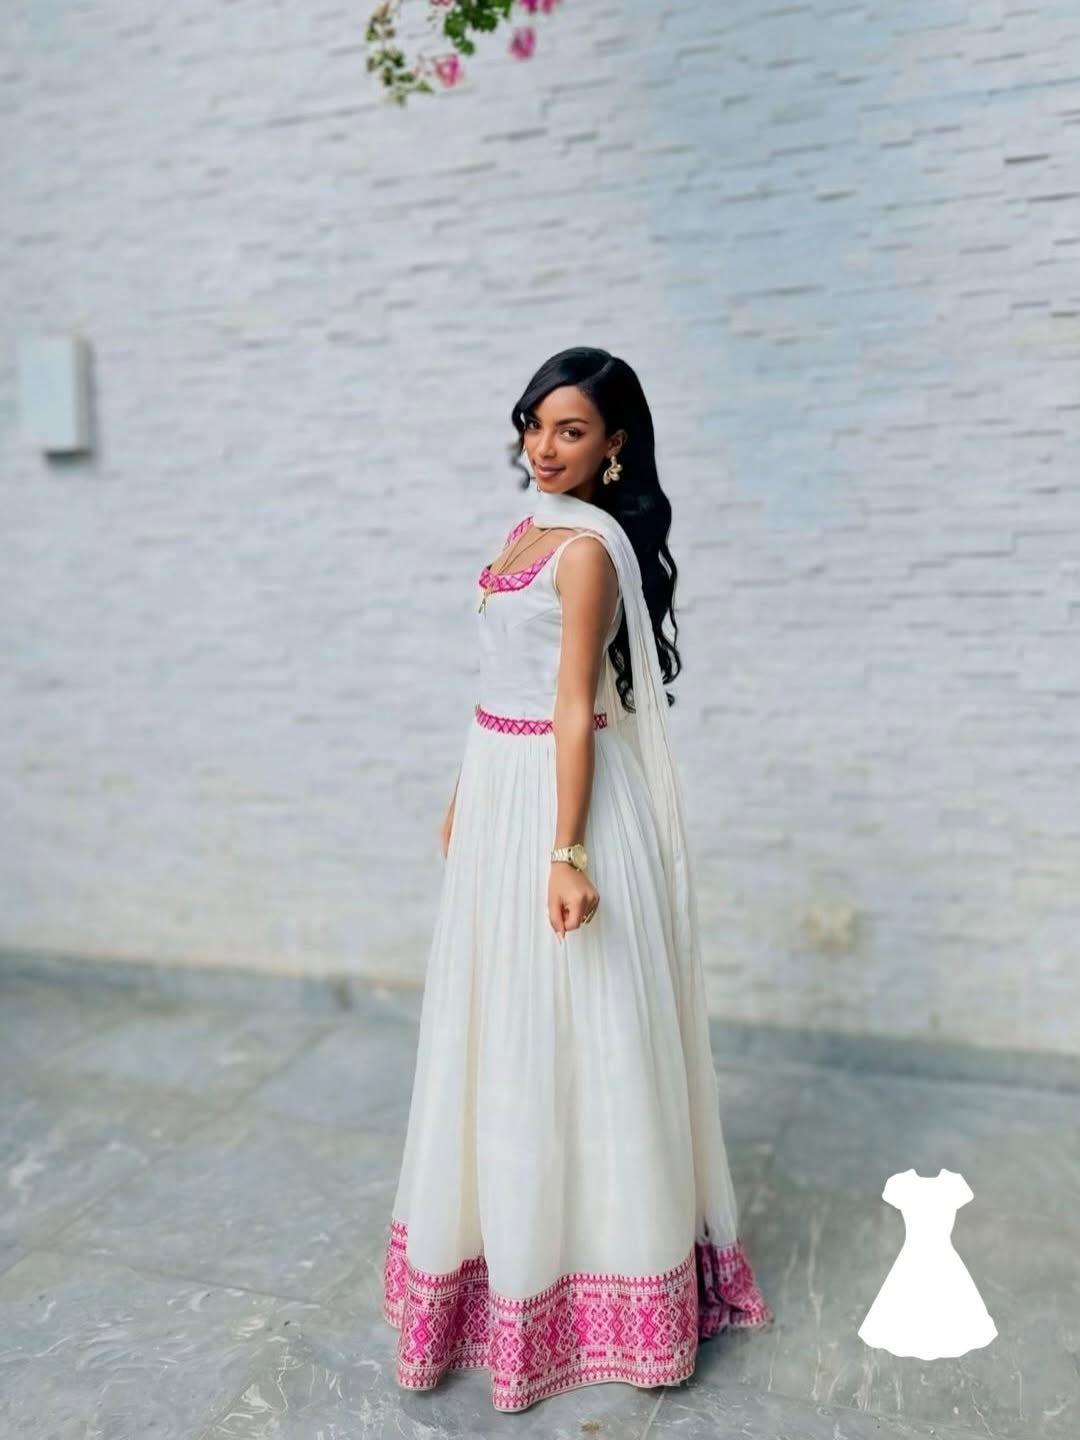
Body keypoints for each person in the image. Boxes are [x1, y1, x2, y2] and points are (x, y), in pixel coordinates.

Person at [382, 346, 773, 1414]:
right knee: (501, 1025)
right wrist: (468, 793)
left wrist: (566, 853)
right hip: (501, 785)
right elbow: (496, 685)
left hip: (566, 802)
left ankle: (605, 1276)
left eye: (570, 432)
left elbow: (570, 705)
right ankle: (502, 1259)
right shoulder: (525, 531)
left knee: (580, 1027)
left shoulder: (589, 553)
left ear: (616, 448)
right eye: (535, 426)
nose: (543, 449)